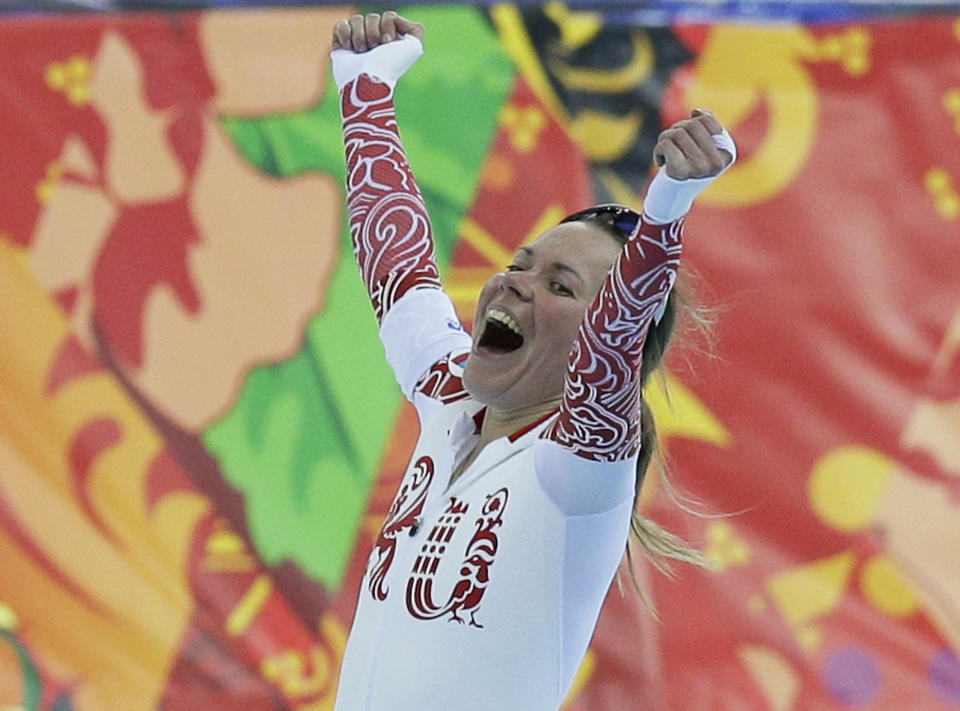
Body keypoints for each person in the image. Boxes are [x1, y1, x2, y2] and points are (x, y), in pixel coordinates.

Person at [329, 11, 736, 711]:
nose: (517, 282)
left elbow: (613, 348)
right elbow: (398, 270)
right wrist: (364, 92)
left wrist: (665, 213)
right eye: (523, 263)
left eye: (560, 286)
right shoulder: (447, 396)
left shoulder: (577, 468)